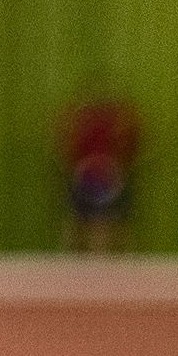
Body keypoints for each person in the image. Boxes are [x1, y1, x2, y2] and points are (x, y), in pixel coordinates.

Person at [58, 91, 141, 253]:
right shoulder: (86, 119)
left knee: (102, 223)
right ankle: (81, 260)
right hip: (93, 177)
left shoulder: (116, 120)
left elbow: (130, 146)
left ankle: (103, 260)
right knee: (90, 222)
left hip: (103, 177)